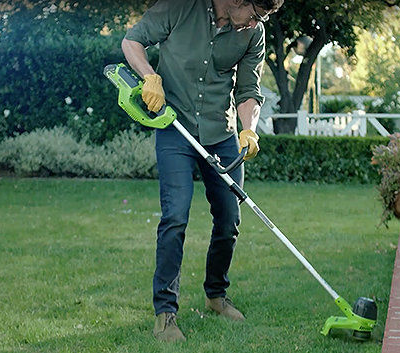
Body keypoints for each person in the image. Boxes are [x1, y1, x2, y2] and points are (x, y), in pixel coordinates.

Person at [121, 0, 283, 343]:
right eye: (255, 15)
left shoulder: (253, 34)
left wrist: (249, 128)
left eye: (262, 19)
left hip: (221, 135)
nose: (256, 23)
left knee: (229, 220)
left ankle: (216, 295)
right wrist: (150, 77)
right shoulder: (180, 7)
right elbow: (131, 41)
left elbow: (249, 89)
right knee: (175, 217)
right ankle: (165, 313)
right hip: (174, 129)